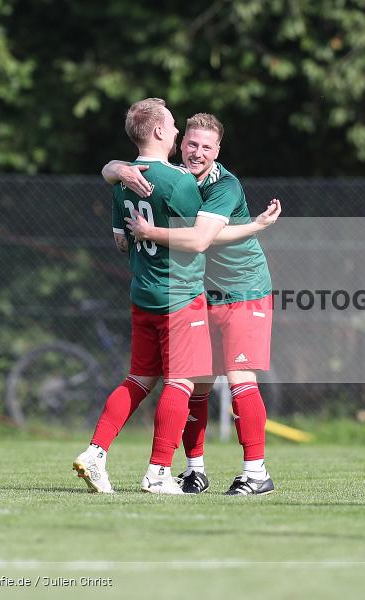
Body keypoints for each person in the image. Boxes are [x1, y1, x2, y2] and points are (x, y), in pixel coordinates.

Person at [103, 113, 279, 496]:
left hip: (243, 291)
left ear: (218, 151)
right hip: (199, 295)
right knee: (196, 384)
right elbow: (116, 169)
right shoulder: (178, 178)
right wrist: (116, 167)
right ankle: (194, 470)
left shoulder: (225, 185)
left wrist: (150, 232)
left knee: (239, 379)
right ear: (180, 144)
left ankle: (256, 473)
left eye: (207, 147)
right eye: (192, 144)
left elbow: (201, 239)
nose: (198, 152)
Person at [72, 98, 234, 495]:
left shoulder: (125, 179)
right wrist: (255, 226)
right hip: (178, 295)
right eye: (174, 126)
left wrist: (113, 171)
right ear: (159, 132)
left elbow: (119, 241)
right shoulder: (178, 181)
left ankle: (96, 452)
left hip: (142, 293)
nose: (178, 132)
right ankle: (159, 472)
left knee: (139, 379)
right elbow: (202, 237)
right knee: (180, 383)